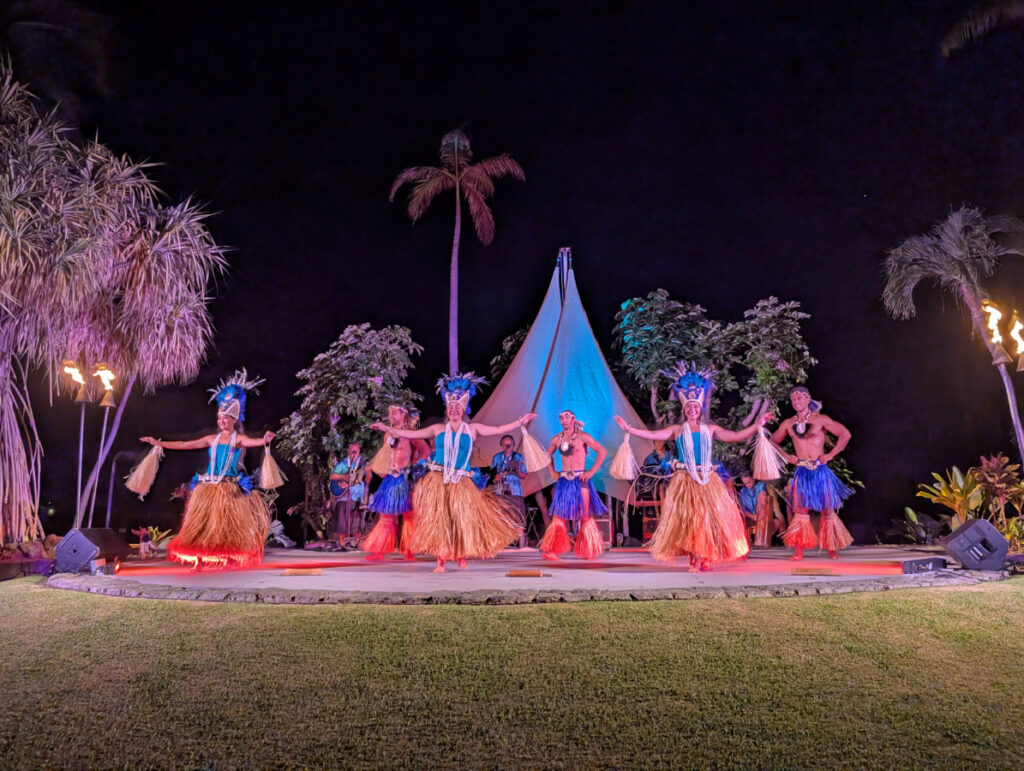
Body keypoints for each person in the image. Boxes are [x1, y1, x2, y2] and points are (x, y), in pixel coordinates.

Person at [370, 373, 535, 573]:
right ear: (447, 411)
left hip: (462, 480)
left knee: (460, 519)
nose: (454, 410)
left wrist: (519, 422)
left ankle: (460, 557)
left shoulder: (472, 429)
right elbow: (411, 434)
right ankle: (441, 560)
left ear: (463, 409)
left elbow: (499, 429)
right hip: (439, 478)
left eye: (458, 407)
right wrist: (387, 428)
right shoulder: (438, 429)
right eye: (451, 407)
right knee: (441, 519)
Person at [614, 364, 770, 572]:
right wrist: (629, 429)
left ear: (701, 409)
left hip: (708, 480)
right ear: (685, 409)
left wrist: (757, 425)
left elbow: (734, 437)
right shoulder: (677, 430)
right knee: (691, 521)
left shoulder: (710, 429)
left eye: (696, 407)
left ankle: (705, 556)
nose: (693, 410)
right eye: (689, 407)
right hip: (685, 479)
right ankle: (693, 560)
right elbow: (653, 436)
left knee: (707, 520)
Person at [141, 370, 273, 569]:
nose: (221, 421)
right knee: (204, 527)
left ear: (234, 419)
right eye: (219, 418)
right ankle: (202, 558)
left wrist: (264, 440)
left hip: (229, 489)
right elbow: (185, 444)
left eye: (225, 418)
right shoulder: (212, 439)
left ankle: (226, 558)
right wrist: (160, 443)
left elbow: (253, 441)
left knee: (225, 527)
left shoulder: (238, 440)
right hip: (209, 488)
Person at [771, 386, 854, 560]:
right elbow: (772, 442)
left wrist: (830, 455)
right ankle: (799, 551)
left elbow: (845, 434)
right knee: (801, 511)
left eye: (799, 398)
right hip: (802, 471)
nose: (796, 402)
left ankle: (831, 548)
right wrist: (787, 456)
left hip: (821, 470)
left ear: (808, 399)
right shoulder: (788, 423)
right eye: (793, 399)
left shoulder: (821, 419)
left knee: (828, 510)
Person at [537, 410, 608, 560]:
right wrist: (552, 471)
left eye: (566, 417)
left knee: (584, 516)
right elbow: (546, 456)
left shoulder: (583, 437)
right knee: (559, 517)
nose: (563, 420)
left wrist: (591, 472)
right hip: (564, 481)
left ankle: (589, 550)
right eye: (561, 417)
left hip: (580, 480)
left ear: (573, 419)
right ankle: (553, 551)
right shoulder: (556, 439)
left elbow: (602, 451)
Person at [362, 404, 430, 560]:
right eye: (389, 413)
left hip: (404, 478)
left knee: (408, 516)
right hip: (390, 478)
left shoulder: (411, 434)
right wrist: (383, 468)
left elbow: (426, 451)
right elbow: (386, 454)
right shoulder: (388, 435)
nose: (390, 415)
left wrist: (412, 465)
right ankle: (379, 551)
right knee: (385, 516)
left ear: (403, 413)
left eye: (394, 412)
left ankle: (410, 551)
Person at [330, 442, 370, 548]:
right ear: (348, 451)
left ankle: (357, 541)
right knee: (342, 508)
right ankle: (342, 541)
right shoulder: (343, 464)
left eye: (356, 452)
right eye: (352, 451)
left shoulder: (362, 464)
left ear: (359, 452)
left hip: (357, 498)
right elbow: (332, 476)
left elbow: (368, 480)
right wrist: (344, 478)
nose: (354, 454)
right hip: (343, 497)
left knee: (357, 512)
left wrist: (368, 472)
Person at [492, 434, 528, 547]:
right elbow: (492, 473)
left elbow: (523, 475)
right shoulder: (497, 457)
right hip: (501, 490)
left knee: (518, 517)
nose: (508, 447)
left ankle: (521, 545)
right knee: (501, 516)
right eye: (505, 445)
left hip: (515, 490)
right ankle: (500, 544)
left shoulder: (519, 457)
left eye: (510, 445)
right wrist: (496, 475)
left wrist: (514, 469)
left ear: (513, 445)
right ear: (501, 445)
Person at [738, 471, 775, 547]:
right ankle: (750, 541)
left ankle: (763, 539)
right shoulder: (742, 492)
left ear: (753, 478)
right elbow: (743, 509)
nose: (748, 485)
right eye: (745, 483)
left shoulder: (760, 485)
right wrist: (752, 516)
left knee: (777, 522)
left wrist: (763, 494)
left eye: (749, 482)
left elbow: (762, 492)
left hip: (761, 517)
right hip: (750, 518)